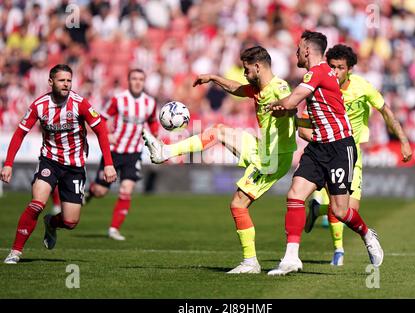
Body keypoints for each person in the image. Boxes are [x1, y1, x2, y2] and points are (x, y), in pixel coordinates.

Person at [143, 46, 297, 274]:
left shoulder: (279, 86)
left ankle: (250, 262)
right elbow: (236, 88)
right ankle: (165, 152)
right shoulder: (257, 88)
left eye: (246, 69)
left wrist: (282, 110)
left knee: (238, 204)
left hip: (274, 156)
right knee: (218, 130)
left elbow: (291, 105)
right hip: (262, 147)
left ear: (258, 66)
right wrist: (214, 78)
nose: (243, 73)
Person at [266, 31, 383, 276]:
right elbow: (299, 108)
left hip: (340, 147)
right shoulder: (321, 73)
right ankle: (290, 258)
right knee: (295, 195)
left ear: (307, 50)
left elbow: (290, 102)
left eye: (299, 48)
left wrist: (271, 104)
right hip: (318, 147)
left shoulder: (318, 71)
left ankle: (366, 233)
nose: (296, 53)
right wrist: (287, 110)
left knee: (340, 211)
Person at [301, 44, 412, 266]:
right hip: (325, 150)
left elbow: (386, 112)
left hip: (351, 152)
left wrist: (404, 141)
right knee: (323, 200)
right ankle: (338, 251)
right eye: (331, 66)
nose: (335, 72)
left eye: (340, 68)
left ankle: (317, 209)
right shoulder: (319, 84)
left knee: (348, 210)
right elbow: (303, 124)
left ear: (350, 69)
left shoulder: (362, 87)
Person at [1, 64, 117, 264]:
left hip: (74, 167)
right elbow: (20, 133)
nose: (66, 84)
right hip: (50, 161)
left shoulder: (80, 103)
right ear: (51, 82)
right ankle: (15, 252)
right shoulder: (39, 105)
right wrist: (8, 163)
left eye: (69, 80)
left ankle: (51, 222)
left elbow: (101, 130)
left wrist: (108, 163)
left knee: (70, 222)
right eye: (62, 80)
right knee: (37, 203)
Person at [83, 69, 159, 240]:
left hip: (134, 153)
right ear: (129, 80)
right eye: (134, 78)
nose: (138, 82)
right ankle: (90, 192)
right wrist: (107, 135)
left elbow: (153, 123)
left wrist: (154, 137)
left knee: (126, 189)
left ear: (144, 81)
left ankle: (114, 229)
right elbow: (101, 118)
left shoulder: (150, 103)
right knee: (101, 191)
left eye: (141, 79)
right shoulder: (119, 99)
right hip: (114, 152)